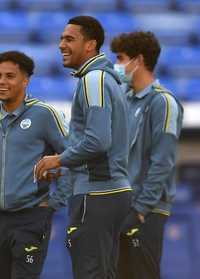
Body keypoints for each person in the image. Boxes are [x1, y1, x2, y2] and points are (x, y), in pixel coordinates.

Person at [34, 15, 132, 279]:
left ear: (91, 45)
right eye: (61, 38)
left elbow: (98, 141)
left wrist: (60, 160)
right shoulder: (105, 79)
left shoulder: (94, 79)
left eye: (69, 39)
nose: (60, 45)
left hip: (96, 194)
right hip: (110, 192)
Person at [0, 50, 72, 279]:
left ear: (25, 81)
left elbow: (74, 158)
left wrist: (55, 202)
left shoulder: (45, 114)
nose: (2, 82)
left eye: (10, 76)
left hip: (30, 217)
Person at [109, 31, 184, 279]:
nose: (117, 66)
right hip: (121, 207)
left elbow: (163, 162)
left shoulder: (163, 102)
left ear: (138, 60)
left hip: (146, 211)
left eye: (121, 59)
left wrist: (140, 210)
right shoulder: (125, 100)